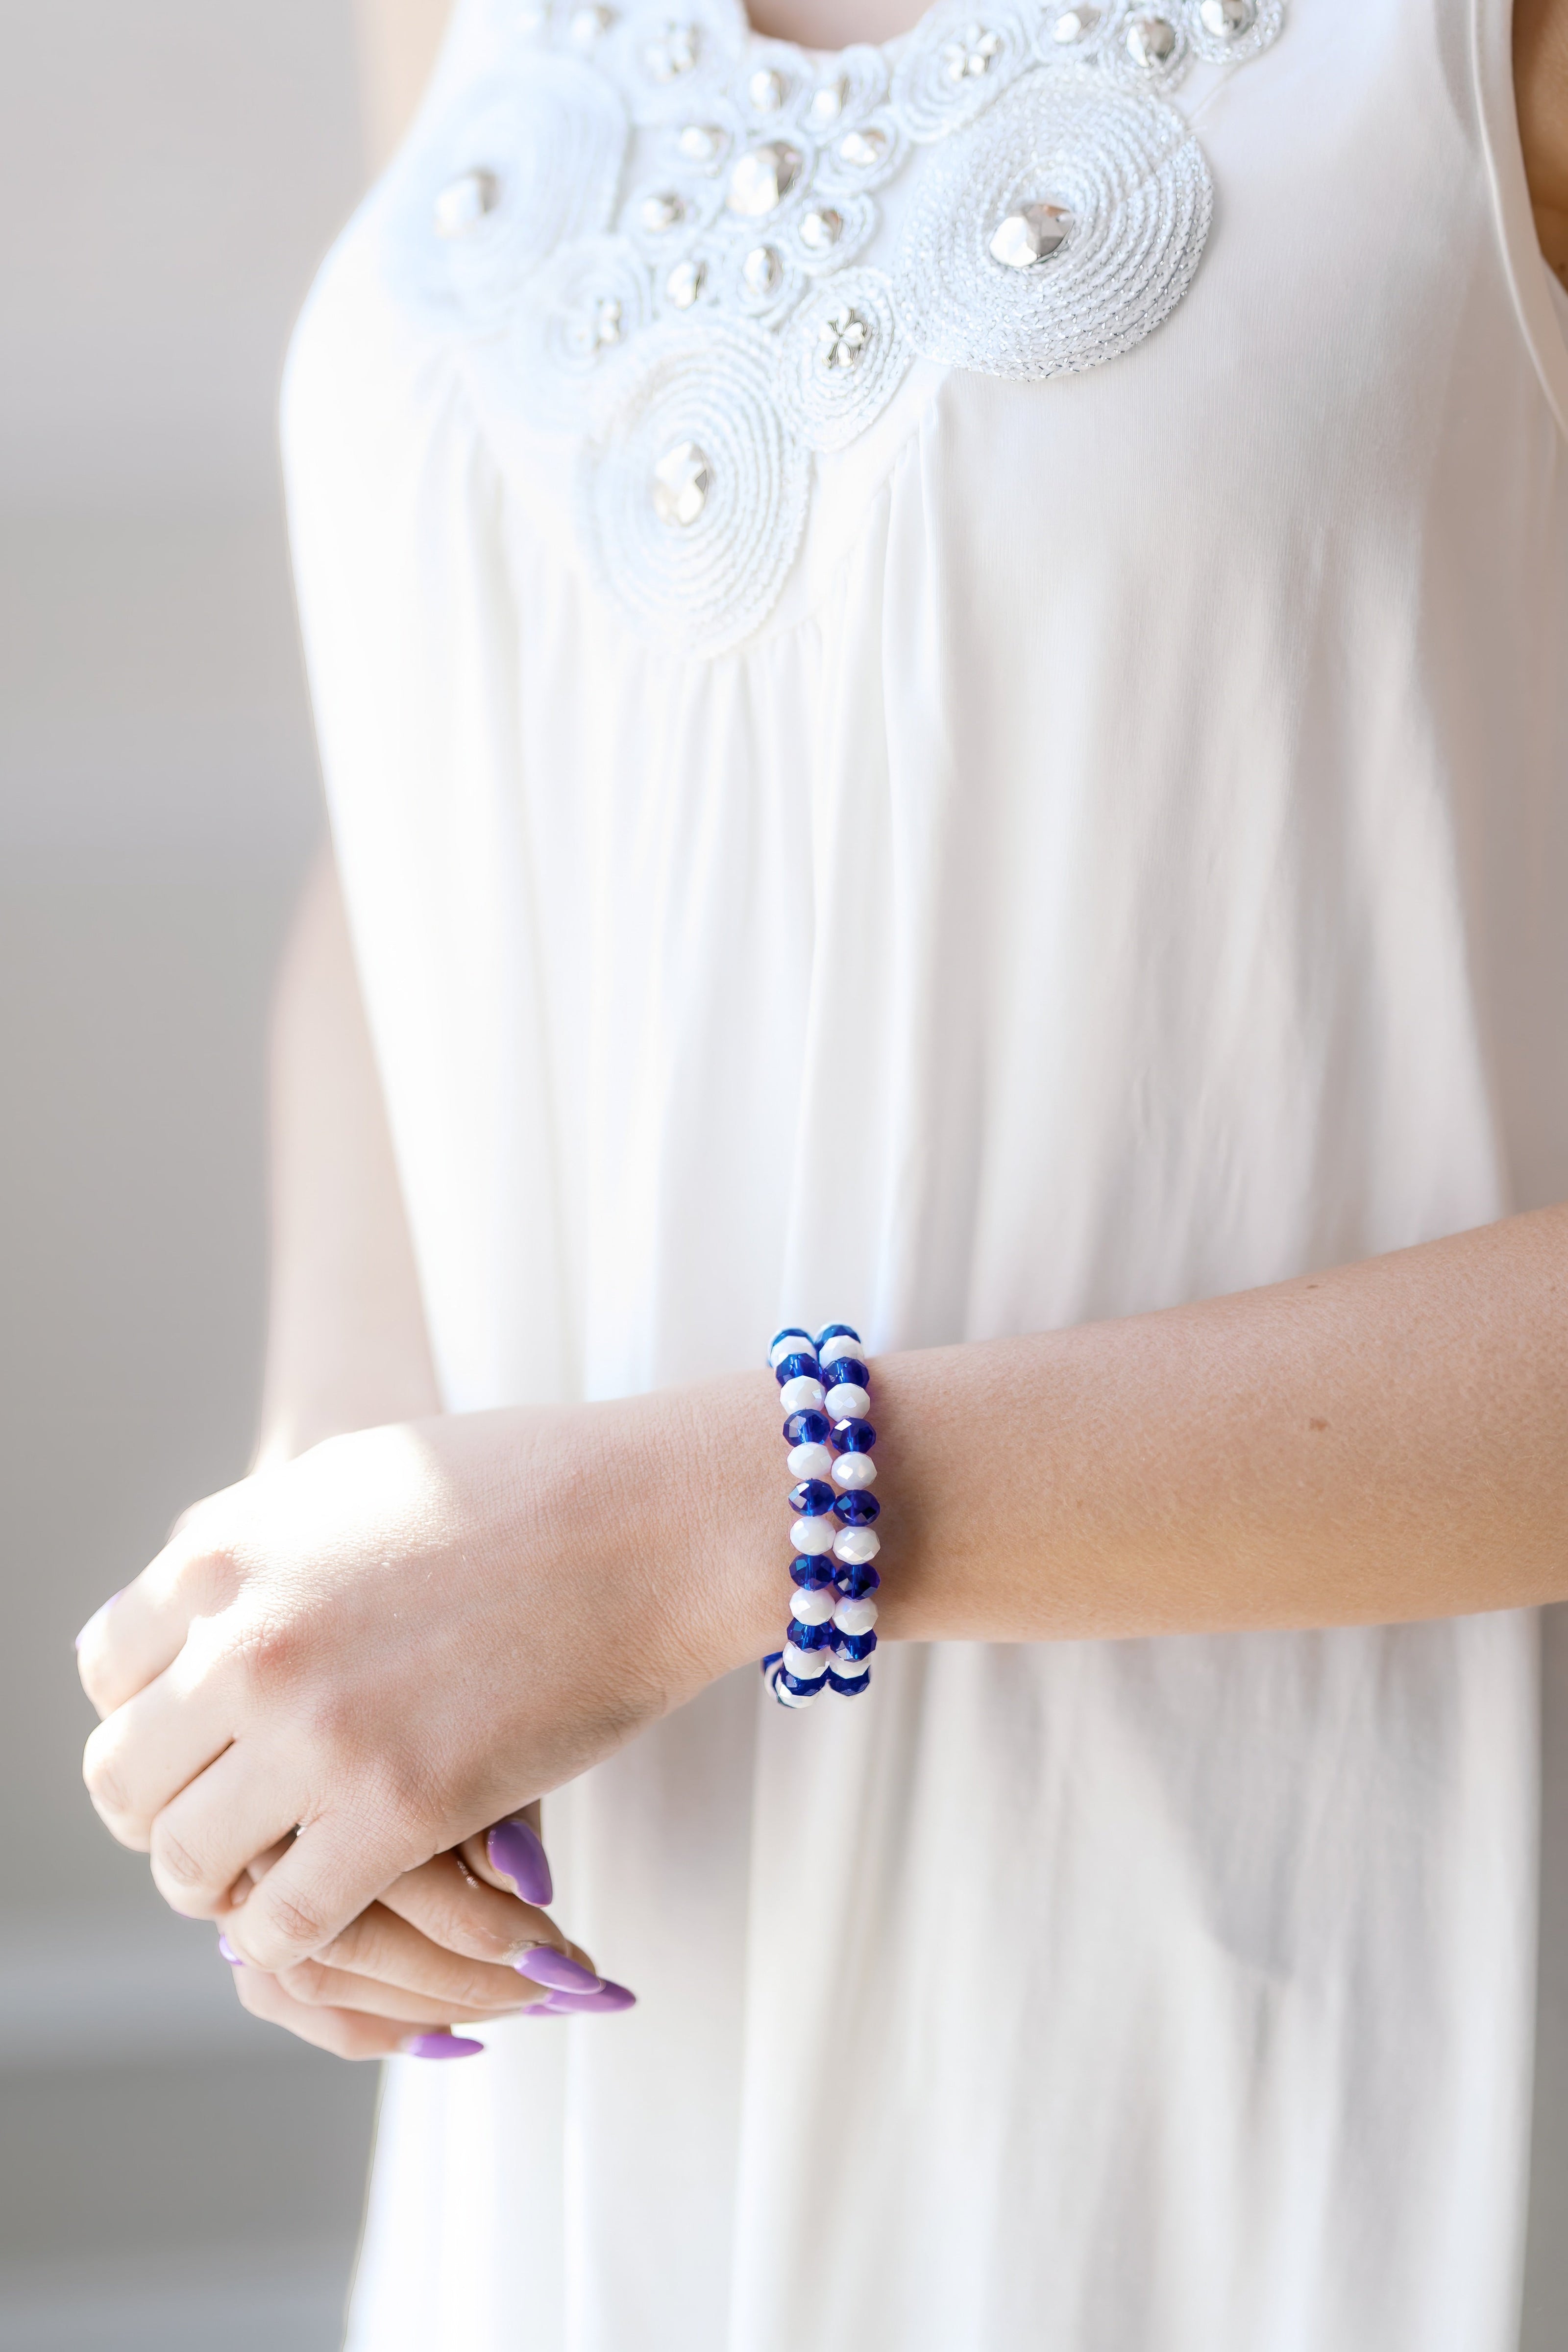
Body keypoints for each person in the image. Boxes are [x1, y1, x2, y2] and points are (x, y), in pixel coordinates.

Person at [76, 0, 1568, 2343]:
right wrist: (345, 1541)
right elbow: (442, 818)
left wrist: (721, 1517)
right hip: (601, 2097)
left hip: (1321, 2031)